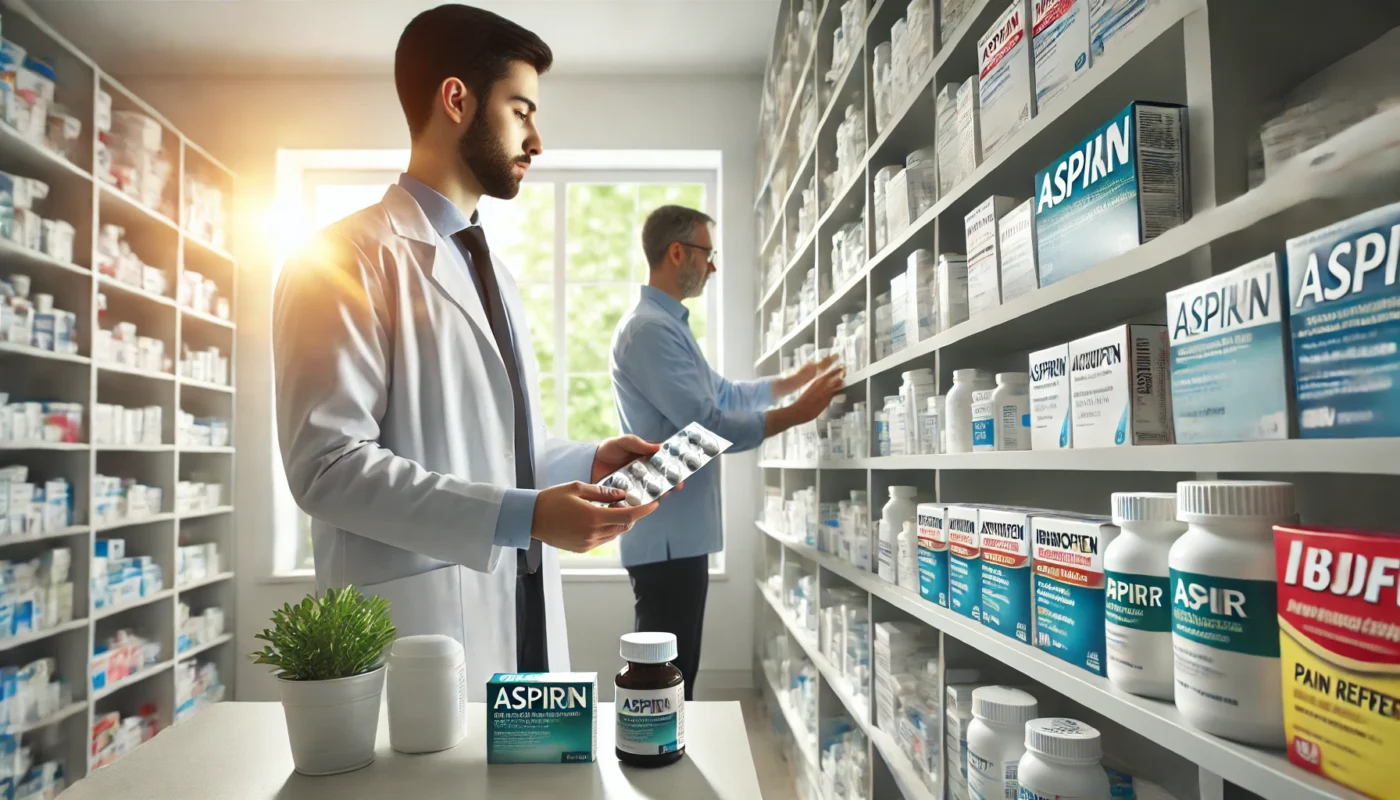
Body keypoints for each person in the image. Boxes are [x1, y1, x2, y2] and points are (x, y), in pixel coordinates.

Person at [273, 4, 662, 698]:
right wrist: (527, 515)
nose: (536, 139)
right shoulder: (341, 257)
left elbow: (495, 448)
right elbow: (327, 469)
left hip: (521, 611)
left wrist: (587, 461)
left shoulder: (490, 270)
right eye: (521, 110)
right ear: (457, 99)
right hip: (421, 633)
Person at [609, 205, 845, 699]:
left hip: (680, 537)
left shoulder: (668, 326)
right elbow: (709, 424)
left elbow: (725, 394)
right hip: (666, 537)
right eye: (706, 254)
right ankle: (654, 767)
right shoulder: (649, 330)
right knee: (664, 681)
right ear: (677, 253)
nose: (712, 267)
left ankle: (661, 764)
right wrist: (796, 413)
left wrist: (792, 383)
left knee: (676, 675)